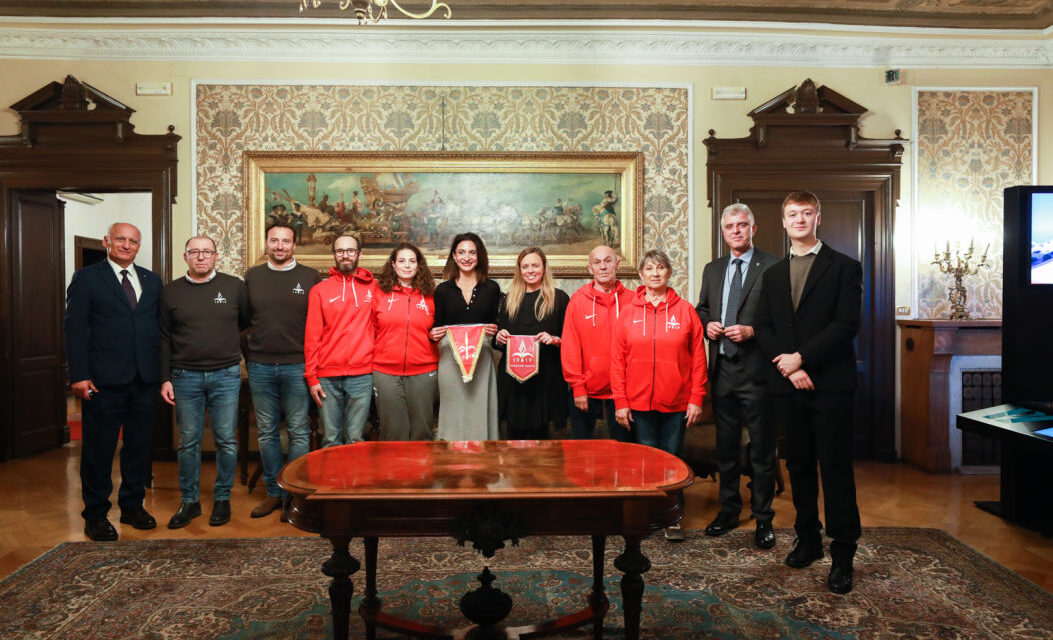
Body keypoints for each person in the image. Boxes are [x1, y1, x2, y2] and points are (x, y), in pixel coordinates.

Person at [754, 190, 863, 595]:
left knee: (835, 468)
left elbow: (846, 325)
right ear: (783, 222)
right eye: (792, 214)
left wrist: (801, 358)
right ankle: (808, 539)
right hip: (788, 386)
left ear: (818, 218)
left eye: (806, 213)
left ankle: (843, 554)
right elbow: (763, 327)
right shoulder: (773, 274)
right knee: (798, 465)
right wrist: (789, 365)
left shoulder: (845, 267)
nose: (799, 219)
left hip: (830, 385)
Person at [64, 222, 162, 541]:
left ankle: (133, 507)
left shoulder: (152, 280)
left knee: (138, 447)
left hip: (144, 378)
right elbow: (75, 329)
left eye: (133, 241)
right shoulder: (87, 278)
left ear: (139, 246)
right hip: (102, 380)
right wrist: (79, 374)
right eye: (120, 239)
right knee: (99, 449)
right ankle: (95, 515)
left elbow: (157, 329)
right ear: (107, 241)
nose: (126, 245)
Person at [695, 203, 779, 550]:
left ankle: (763, 518)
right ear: (723, 232)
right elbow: (701, 309)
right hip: (723, 371)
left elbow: (781, 318)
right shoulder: (713, 269)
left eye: (742, 225)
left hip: (757, 372)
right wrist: (707, 325)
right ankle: (728, 510)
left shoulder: (773, 266)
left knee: (761, 451)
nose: (736, 231)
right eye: (729, 226)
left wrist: (752, 331)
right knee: (726, 449)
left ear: (752, 228)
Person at [611, 249, 707, 539]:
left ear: (669, 273)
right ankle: (649, 514)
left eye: (660, 268)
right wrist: (621, 402)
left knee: (673, 460)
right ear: (641, 274)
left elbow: (698, 359)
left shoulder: (685, 311)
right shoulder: (628, 312)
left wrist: (696, 398)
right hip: (638, 403)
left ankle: (672, 516)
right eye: (649, 269)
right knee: (646, 461)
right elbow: (617, 361)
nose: (655, 273)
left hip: (676, 402)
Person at [160, 236, 250, 529]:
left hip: (225, 374)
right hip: (185, 376)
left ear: (216, 256)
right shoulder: (170, 292)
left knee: (226, 439)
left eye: (206, 252)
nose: (201, 257)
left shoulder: (234, 287)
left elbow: (244, 324)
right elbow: (163, 337)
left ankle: (222, 497)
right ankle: (190, 501)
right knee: (188, 441)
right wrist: (164, 378)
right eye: (195, 252)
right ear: (185, 256)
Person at [244, 223, 321, 519]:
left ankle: (295, 494)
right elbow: (243, 319)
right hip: (260, 365)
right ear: (266, 243)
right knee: (266, 432)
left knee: (299, 431)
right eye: (274, 240)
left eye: (285, 241)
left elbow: (318, 323)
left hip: (297, 365)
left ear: (294, 245)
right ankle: (273, 493)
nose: (279, 246)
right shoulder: (252, 276)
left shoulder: (310, 277)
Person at [304, 233, 375, 447]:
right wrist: (312, 377)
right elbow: (312, 336)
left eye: (350, 250)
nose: (345, 255)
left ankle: (355, 472)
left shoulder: (375, 288)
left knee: (355, 439)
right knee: (330, 440)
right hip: (327, 376)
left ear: (359, 254)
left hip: (362, 374)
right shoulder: (319, 291)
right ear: (334, 254)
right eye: (340, 251)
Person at [430, 232, 501, 441]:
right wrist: (433, 334)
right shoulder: (442, 290)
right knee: (453, 409)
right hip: (450, 359)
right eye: (461, 252)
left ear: (479, 256)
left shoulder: (492, 288)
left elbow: (496, 327)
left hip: (482, 358)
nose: (466, 257)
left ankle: (483, 454)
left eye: (472, 252)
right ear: (454, 255)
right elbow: (436, 327)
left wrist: (496, 330)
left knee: (480, 410)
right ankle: (452, 456)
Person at [494, 247, 570, 440]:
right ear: (519, 270)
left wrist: (554, 339)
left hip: (546, 381)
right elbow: (497, 341)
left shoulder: (559, 298)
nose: (530, 270)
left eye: (535, 265)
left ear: (544, 267)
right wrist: (499, 337)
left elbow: (571, 340)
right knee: (513, 442)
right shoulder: (509, 299)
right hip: (513, 382)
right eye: (525, 266)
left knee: (544, 444)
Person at [561, 245, 634, 441]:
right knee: (581, 452)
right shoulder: (577, 300)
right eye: (597, 262)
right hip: (585, 390)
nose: (603, 266)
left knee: (624, 450)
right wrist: (578, 387)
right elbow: (570, 347)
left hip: (624, 391)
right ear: (590, 268)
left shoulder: (633, 300)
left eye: (608, 261)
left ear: (617, 264)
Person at [372, 242, 439, 441]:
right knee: (393, 432)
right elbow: (371, 330)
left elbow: (441, 330)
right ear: (393, 265)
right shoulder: (379, 293)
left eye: (412, 261)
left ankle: (423, 464)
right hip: (385, 373)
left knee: (422, 432)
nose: (407, 265)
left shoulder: (432, 295)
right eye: (401, 261)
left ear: (419, 265)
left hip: (424, 371)